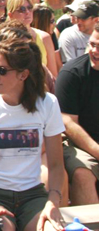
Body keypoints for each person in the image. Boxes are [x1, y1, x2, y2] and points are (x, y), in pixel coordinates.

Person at [0, 38, 65, 231]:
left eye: (2, 70)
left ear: (23, 75)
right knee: (2, 228)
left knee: (50, 229)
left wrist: (53, 201)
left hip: (33, 195)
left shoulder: (47, 103)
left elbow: (56, 164)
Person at [55, 25, 99, 205]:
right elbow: (67, 122)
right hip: (79, 142)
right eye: (92, 44)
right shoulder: (72, 74)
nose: (94, 51)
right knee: (82, 173)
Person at [7, 0, 59, 78]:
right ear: (10, 15)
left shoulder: (45, 37)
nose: (27, 12)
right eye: (22, 9)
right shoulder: (4, 37)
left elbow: (53, 75)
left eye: (30, 7)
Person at [58, 0, 99, 64]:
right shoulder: (68, 35)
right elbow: (71, 66)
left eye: (83, 19)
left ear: (96, 20)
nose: (78, 21)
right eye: (78, 17)